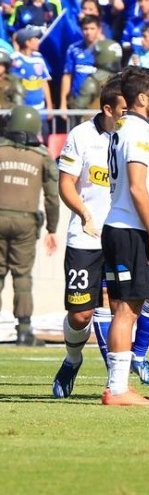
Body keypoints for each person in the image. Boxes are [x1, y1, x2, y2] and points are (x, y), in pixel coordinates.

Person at [53, 76, 126, 397]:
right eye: (123, 109)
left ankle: (118, 375)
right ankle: (72, 359)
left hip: (122, 235)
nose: (129, 114)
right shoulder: (81, 135)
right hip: (85, 236)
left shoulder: (135, 136)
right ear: (108, 108)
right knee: (80, 312)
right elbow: (66, 182)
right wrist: (84, 214)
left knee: (117, 305)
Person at [101, 66, 149, 406]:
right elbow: (139, 187)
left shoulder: (121, 128)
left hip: (117, 226)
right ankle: (117, 389)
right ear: (142, 98)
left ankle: (117, 385)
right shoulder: (139, 132)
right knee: (129, 309)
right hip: (129, 230)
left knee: (123, 309)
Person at [0, 105, 59, 346]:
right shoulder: (41, 156)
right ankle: (24, 330)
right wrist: (52, 229)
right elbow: (52, 197)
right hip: (25, 222)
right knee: (22, 276)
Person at [68, 40, 123, 110]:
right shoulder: (123, 79)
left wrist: (71, 100)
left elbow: (78, 108)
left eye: (96, 54)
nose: (94, 56)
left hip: (96, 119)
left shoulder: (93, 81)